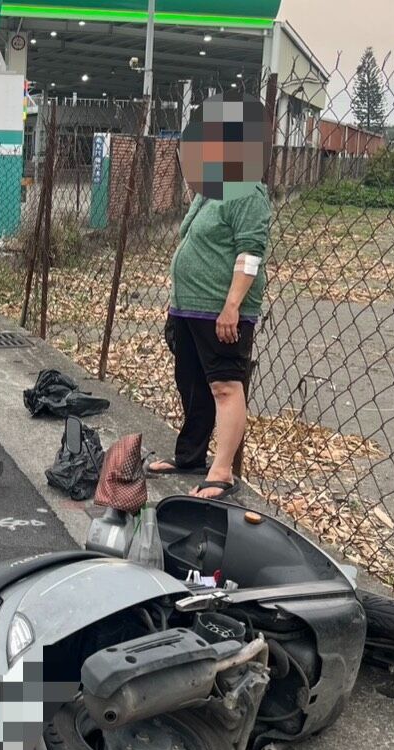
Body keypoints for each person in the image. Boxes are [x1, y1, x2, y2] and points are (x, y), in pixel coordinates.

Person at [144, 92, 271, 500]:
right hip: (191, 308)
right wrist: (176, 305)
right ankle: (190, 457)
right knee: (193, 385)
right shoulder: (211, 190)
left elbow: (250, 254)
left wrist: (232, 306)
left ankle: (222, 471)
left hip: (221, 310)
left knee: (225, 387)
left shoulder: (247, 192)